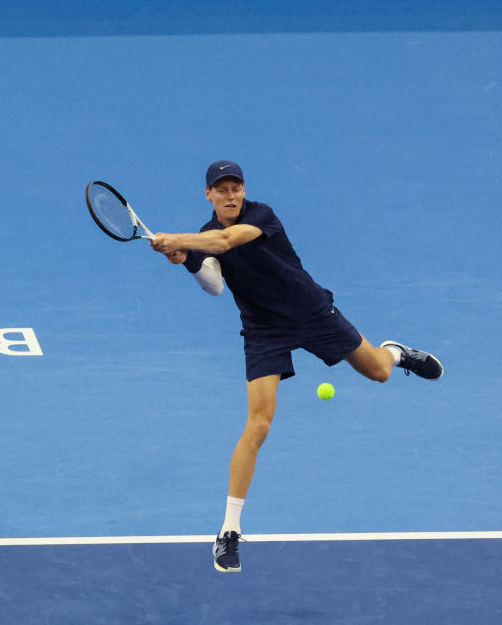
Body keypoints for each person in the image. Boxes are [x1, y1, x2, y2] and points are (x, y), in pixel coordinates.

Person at [149, 160, 443, 573]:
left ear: (243, 191)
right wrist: (186, 259)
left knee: (378, 371)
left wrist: (179, 240)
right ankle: (229, 530)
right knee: (258, 424)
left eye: (236, 188)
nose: (231, 195)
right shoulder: (203, 236)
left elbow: (228, 241)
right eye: (222, 189)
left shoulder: (261, 216)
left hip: (310, 312)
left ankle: (395, 351)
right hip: (263, 329)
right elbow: (214, 284)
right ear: (209, 194)